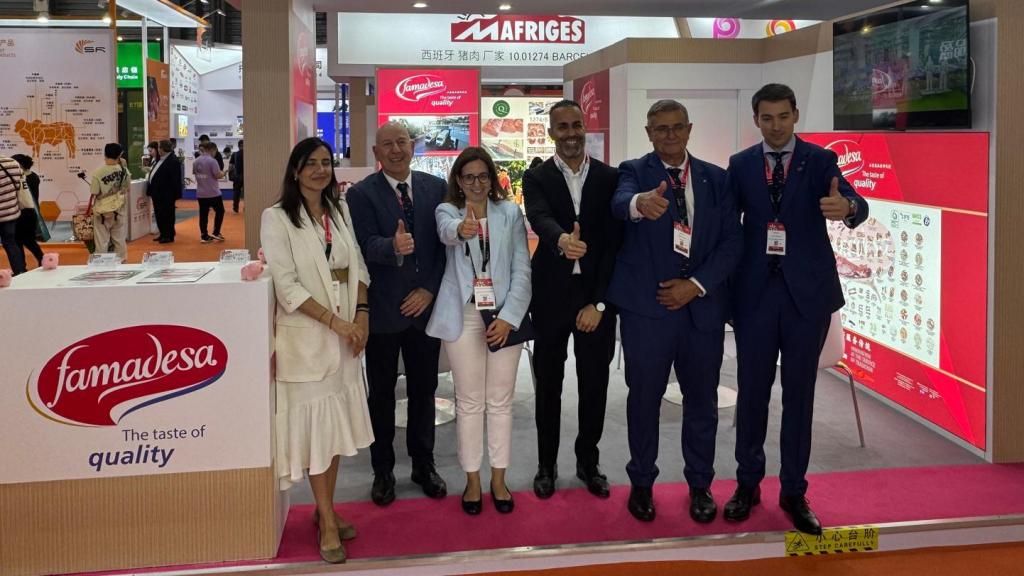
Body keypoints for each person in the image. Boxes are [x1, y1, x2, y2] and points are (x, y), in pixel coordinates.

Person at [724, 84, 868, 535]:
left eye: (783, 116)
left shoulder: (821, 161)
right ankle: (747, 484)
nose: (776, 126)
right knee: (751, 394)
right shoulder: (741, 165)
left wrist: (847, 207)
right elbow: (729, 227)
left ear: (795, 115)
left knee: (800, 395)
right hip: (756, 297)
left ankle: (793, 491)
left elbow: (855, 203)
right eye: (767, 118)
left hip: (806, 295)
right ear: (756, 120)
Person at [608, 99, 742, 523]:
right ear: (648, 133)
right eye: (660, 128)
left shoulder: (716, 178)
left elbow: (732, 243)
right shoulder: (633, 171)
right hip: (647, 312)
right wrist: (639, 204)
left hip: (700, 309)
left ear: (689, 129)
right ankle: (642, 483)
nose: (669, 135)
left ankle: (700, 484)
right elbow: (621, 202)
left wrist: (695, 286)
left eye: (676, 127)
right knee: (644, 400)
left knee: (701, 401)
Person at [260, 137, 372, 564]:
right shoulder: (277, 218)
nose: (320, 170)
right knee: (315, 436)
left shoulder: (338, 210)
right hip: (307, 342)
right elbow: (286, 285)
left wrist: (360, 316)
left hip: (344, 341)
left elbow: (356, 265)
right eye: (311, 164)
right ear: (295, 170)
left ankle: (328, 509)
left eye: (326, 163)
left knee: (333, 430)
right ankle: (326, 520)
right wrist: (336, 323)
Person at [522, 100, 622, 500]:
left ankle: (588, 462)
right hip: (550, 296)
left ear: (586, 127)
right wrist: (562, 239)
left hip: (594, 298)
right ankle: (547, 465)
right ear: (551, 134)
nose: (570, 133)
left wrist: (598, 304)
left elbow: (615, 246)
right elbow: (539, 216)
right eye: (561, 127)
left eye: (576, 125)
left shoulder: (610, 177)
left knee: (594, 384)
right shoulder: (537, 177)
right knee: (548, 385)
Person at [346, 121, 448, 506]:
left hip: (424, 311)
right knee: (382, 397)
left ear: (412, 146)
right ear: (376, 153)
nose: (395, 150)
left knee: (425, 391)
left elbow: (444, 252)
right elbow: (361, 245)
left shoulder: (435, 188)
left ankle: (424, 465)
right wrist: (392, 245)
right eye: (387, 144)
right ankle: (383, 471)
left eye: (401, 142)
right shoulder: (360, 194)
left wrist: (429, 290)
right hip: (384, 314)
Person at [426, 146, 531, 515]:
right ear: (458, 180)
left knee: (500, 401)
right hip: (464, 317)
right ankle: (472, 480)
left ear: (492, 179)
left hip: (502, 315)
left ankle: (498, 479)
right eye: (468, 177)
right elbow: (446, 232)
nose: (475, 183)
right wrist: (462, 228)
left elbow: (522, 269)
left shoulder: (509, 213)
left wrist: (510, 317)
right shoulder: (448, 211)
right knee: (469, 402)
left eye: (482, 176)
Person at [89, 143, 131, 262]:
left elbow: (95, 191)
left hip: (102, 211)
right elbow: (127, 187)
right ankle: (122, 262)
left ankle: (101, 264)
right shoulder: (124, 171)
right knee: (119, 239)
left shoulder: (98, 173)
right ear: (119, 155)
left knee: (102, 240)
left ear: (105, 154)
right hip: (119, 209)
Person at [11, 154, 44, 267]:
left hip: (21, 212)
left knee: (19, 241)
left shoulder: (20, 178)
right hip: (31, 212)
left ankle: (21, 266)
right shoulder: (34, 176)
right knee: (28, 240)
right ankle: (41, 259)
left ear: (19, 165)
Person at [146, 140, 181, 243]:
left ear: (163, 148)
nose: (158, 149)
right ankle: (163, 233)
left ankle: (168, 235)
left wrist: (175, 194)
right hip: (157, 193)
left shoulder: (173, 160)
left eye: (159, 147)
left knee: (167, 215)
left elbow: (175, 179)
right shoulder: (160, 159)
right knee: (159, 214)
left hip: (166, 194)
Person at [193, 142, 226, 243]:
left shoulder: (196, 161)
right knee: (220, 211)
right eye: (216, 151)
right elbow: (217, 175)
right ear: (212, 149)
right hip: (213, 192)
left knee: (203, 215)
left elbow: (196, 173)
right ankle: (216, 232)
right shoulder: (212, 161)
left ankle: (204, 235)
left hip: (201, 193)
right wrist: (223, 173)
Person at [0, 155, 24, 274]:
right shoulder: (13, 163)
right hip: (10, 212)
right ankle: (19, 272)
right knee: (11, 243)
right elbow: (20, 185)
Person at [229, 139, 244, 213]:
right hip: (247, 176)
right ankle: (247, 207)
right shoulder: (248, 153)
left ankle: (235, 208)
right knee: (247, 192)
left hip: (237, 176)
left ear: (238, 146)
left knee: (236, 192)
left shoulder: (234, 154)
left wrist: (230, 174)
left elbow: (231, 166)